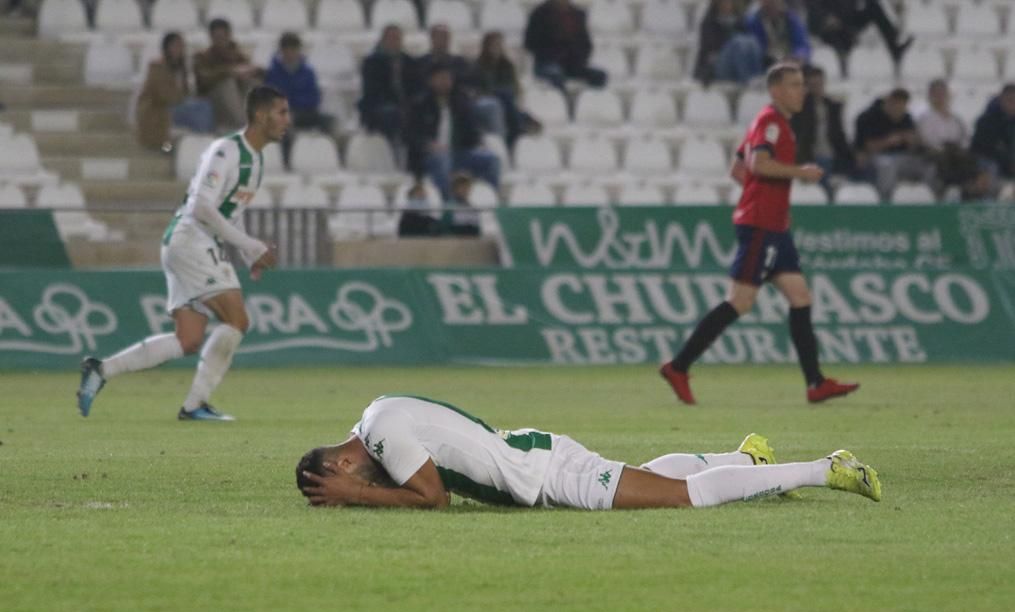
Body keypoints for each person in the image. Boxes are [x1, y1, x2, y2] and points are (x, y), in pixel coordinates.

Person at [76, 87, 288, 421]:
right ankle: (194, 405)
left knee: (187, 339)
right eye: (281, 112)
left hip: (195, 243)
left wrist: (246, 254)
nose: (287, 121)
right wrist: (248, 244)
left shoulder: (258, 160)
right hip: (191, 239)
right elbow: (201, 205)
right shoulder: (226, 151)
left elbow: (228, 211)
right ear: (261, 115)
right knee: (237, 320)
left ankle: (101, 369)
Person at [659, 63, 859, 405]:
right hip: (761, 227)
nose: (802, 91)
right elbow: (757, 165)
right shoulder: (770, 123)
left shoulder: (773, 123)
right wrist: (800, 174)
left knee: (800, 297)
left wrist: (767, 195)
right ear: (776, 90)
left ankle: (815, 383)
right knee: (740, 301)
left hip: (774, 226)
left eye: (802, 85)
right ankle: (678, 366)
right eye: (794, 85)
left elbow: (738, 168)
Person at [296, 395, 882, 509]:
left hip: (546, 474)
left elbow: (433, 498)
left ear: (342, 465)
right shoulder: (373, 419)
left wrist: (356, 497)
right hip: (538, 453)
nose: (363, 493)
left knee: (679, 498)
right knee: (646, 477)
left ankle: (824, 469)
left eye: (351, 488)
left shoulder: (379, 438)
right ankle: (748, 457)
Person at [405, 64, 500, 201]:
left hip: (457, 153)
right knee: (442, 159)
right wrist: (428, 144)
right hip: (428, 157)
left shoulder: (461, 102)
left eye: (448, 78)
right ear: (432, 80)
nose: (445, 82)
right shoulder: (419, 104)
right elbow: (410, 134)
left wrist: (476, 141)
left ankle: (491, 201)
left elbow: (472, 132)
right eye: (441, 78)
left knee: (491, 160)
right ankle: (450, 205)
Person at [264, 32, 335, 169]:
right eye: (287, 50)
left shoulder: (308, 72)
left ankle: (332, 157)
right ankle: (287, 162)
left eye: (293, 49)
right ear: (282, 51)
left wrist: (295, 103)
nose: (290, 53)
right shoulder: (273, 73)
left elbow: (314, 97)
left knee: (329, 121)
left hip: (305, 112)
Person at [136, 32, 214, 151]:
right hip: (159, 109)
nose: (180, 49)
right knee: (200, 108)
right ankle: (204, 140)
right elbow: (164, 95)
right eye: (176, 46)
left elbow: (187, 91)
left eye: (182, 46)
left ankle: (203, 139)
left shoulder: (182, 68)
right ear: (167, 48)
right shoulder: (157, 67)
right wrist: (183, 98)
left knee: (204, 105)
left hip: (176, 104)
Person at [853, 88, 935, 201]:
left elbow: (914, 144)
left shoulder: (906, 118)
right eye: (896, 105)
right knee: (887, 165)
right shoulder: (869, 117)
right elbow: (866, 147)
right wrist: (889, 141)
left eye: (903, 105)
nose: (899, 109)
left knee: (929, 167)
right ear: (889, 102)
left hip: (904, 157)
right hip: (877, 157)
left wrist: (913, 141)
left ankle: (929, 199)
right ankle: (886, 201)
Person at [917, 79, 992, 201]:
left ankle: (974, 192)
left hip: (957, 154)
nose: (940, 97)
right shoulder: (925, 118)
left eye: (943, 94)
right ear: (930, 96)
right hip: (937, 155)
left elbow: (964, 139)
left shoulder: (955, 119)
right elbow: (928, 140)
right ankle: (958, 191)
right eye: (936, 94)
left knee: (978, 162)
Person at [803, 0, 912, 76]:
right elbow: (812, 5)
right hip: (824, 23)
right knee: (834, 25)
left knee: (874, 6)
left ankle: (895, 48)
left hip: (847, 19)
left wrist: (895, 6)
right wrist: (826, 17)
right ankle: (843, 48)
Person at [789, 65, 853, 194]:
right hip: (808, 155)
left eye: (819, 83)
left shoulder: (833, 107)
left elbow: (839, 134)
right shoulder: (800, 108)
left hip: (830, 153)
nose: (817, 87)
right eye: (813, 84)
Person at [357, 24, 420, 153]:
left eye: (397, 38)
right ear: (384, 40)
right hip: (380, 105)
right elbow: (371, 91)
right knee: (391, 114)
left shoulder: (409, 62)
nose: (395, 42)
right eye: (391, 38)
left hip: (406, 105)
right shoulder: (372, 62)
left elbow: (415, 88)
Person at [472, 31, 541, 147]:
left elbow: (514, 87)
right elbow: (479, 89)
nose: (496, 48)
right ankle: (518, 127)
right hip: (489, 102)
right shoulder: (478, 66)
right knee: (505, 98)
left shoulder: (507, 65)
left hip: (506, 102)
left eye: (499, 45)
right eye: (494, 45)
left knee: (507, 97)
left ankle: (518, 127)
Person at [194, 18, 263, 131]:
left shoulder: (237, 55)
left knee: (252, 83)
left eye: (224, 36)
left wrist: (251, 71)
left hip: (238, 100)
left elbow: (251, 69)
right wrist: (229, 72)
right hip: (214, 102)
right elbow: (203, 80)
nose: (221, 40)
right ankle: (245, 123)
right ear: (211, 37)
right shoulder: (203, 57)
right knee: (227, 84)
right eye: (217, 37)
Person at [523, 0, 607, 93]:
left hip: (572, 64)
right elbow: (529, 43)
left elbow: (586, 44)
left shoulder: (577, 14)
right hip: (546, 63)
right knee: (556, 74)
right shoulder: (539, 14)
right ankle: (561, 104)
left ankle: (591, 104)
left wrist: (578, 58)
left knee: (599, 76)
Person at [692, 0, 764, 86]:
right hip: (718, 65)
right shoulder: (709, 23)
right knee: (738, 42)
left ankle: (756, 76)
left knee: (752, 40)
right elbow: (710, 51)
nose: (726, 4)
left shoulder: (739, 21)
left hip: (738, 61)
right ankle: (746, 80)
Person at [970, 84, 1015, 184]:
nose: (1013, 104)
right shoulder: (987, 121)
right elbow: (986, 148)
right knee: (988, 167)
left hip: (1007, 161)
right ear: (1001, 100)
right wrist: (1009, 162)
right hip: (989, 161)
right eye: (1010, 100)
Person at [745, 0, 811, 67]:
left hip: (791, 62)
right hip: (766, 64)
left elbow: (802, 44)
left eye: (774, 3)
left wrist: (798, 56)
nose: (772, 5)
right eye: (768, 3)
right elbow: (755, 50)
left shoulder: (791, 19)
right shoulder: (753, 22)